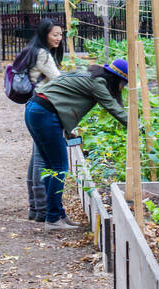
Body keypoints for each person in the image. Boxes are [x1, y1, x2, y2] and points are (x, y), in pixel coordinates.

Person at [26, 58, 128, 232]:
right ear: (118, 79)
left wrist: (65, 129)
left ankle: (58, 214)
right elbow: (114, 108)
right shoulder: (97, 84)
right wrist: (136, 126)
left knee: (52, 167)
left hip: (35, 110)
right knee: (59, 167)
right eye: (124, 84)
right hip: (45, 114)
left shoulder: (87, 76)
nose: (123, 89)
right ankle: (52, 219)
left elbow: (62, 98)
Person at [25, 18, 66, 221]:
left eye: (61, 34)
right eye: (55, 34)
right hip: (43, 107)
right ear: (44, 34)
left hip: (33, 106)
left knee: (36, 158)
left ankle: (35, 208)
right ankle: (42, 210)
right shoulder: (42, 54)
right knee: (42, 159)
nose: (59, 38)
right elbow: (58, 81)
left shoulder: (33, 50)